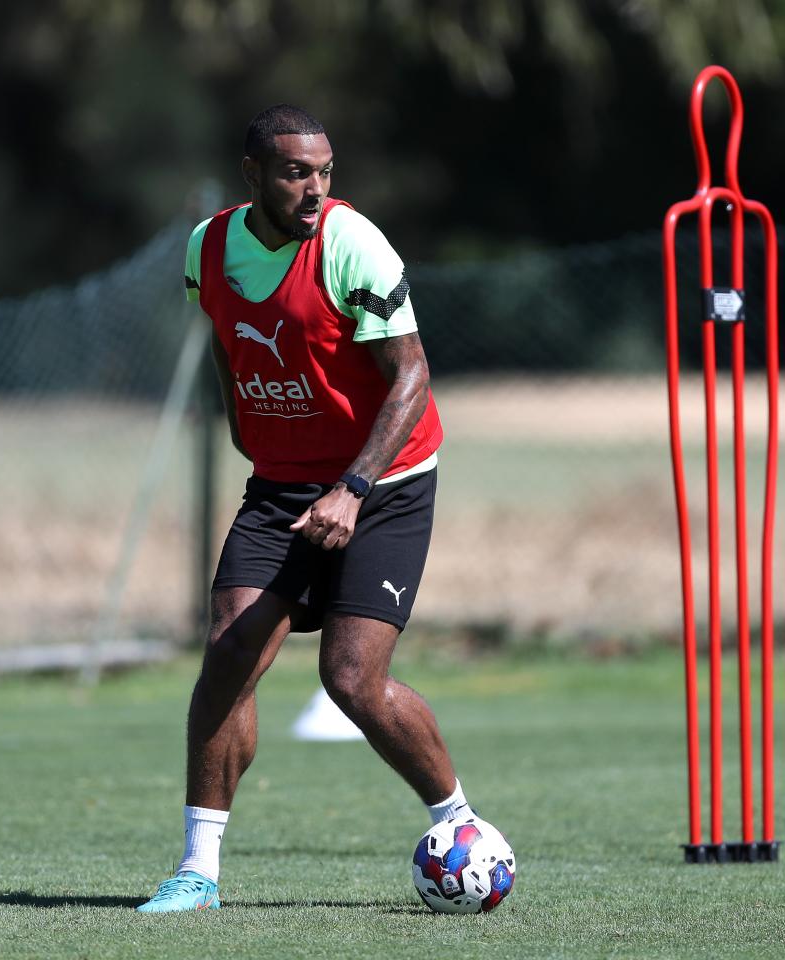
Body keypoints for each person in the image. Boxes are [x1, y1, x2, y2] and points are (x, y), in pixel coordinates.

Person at [137, 104, 473, 912]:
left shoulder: (352, 243)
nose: (314, 187)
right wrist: (250, 434)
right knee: (229, 651)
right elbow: (225, 337)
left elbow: (413, 375)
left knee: (353, 679)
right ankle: (198, 872)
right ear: (253, 174)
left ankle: (459, 824)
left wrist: (352, 489)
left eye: (324, 171)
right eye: (295, 172)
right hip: (283, 484)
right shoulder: (207, 248)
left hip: (384, 482)